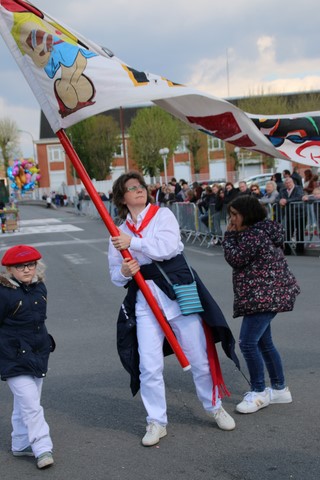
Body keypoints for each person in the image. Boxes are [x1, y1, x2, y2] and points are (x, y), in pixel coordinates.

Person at [108, 171, 239, 447]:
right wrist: (124, 270)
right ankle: (156, 420)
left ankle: (214, 405)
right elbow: (115, 276)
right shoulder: (117, 232)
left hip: (178, 295)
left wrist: (134, 244)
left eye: (141, 185)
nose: (139, 190)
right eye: (132, 188)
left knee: (199, 357)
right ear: (122, 197)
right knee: (149, 366)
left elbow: (168, 247)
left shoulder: (162, 216)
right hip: (145, 302)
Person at [222, 195, 300, 414]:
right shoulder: (263, 231)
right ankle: (279, 389)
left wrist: (228, 235)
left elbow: (235, 258)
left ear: (248, 214)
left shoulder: (254, 235)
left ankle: (259, 392)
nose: (232, 219)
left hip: (263, 296)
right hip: (269, 294)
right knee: (264, 342)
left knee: (247, 343)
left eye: (235, 215)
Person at [0, 245, 55, 469]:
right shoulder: (3, 293)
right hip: (11, 356)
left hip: (37, 353)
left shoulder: (39, 287)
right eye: (20, 266)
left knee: (26, 403)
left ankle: (20, 443)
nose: (26, 270)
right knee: (31, 404)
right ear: (9, 269)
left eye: (30, 265)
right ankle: (42, 448)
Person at [275, 176, 305, 255]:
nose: (288, 184)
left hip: (300, 214)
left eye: (289, 183)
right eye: (286, 183)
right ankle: (287, 250)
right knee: (287, 233)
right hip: (288, 214)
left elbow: (299, 197)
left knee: (300, 232)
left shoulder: (298, 188)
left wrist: (286, 200)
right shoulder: (282, 190)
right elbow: (277, 198)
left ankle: (300, 250)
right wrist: (280, 200)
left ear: (293, 182)